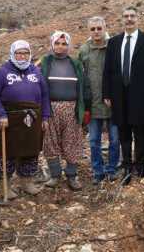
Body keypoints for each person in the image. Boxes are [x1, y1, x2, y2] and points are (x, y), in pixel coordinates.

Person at [102, 7, 144, 185]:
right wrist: (106, 93)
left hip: (141, 95)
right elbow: (107, 71)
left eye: (132, 16)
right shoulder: (113, 42)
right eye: (126, 16)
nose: (129, 19)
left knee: (140, 132)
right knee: (124, 132)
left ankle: (139, 166)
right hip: (118, 95)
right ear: (122, 19)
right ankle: (127, 166)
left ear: (138, 19)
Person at [0, 40, 51, 198]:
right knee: (9, 152)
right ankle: (5, 185)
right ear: (13, 53)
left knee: (31, 150)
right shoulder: (3, 71)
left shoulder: (36, 71)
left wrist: (45, 116)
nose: (22, 56)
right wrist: (1, 114)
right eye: (19, 53)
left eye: (25, 53)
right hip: (10, 118)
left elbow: (44, 95)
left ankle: (27, 182)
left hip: (34, 117)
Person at [39, 31, 90, 191]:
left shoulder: (75, 63)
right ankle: (55, 176)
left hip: (71, 108)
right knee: (50, 142)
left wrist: (86, 109)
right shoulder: (44, 62)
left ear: (68, 45)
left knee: (71, 142)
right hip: (50, 109)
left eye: (64, 43)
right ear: (52, 44)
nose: (60, 46)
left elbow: (84, 86)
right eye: (57, 43)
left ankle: (72, 176)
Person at [78, 16, 120, 185]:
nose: (96, 32)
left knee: (115, 139)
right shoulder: (83, 50)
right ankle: (97, 171)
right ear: (89, 30)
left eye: (99, 28)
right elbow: (80, 76)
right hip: (93, 103)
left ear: (105, 28)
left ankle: (112, 168)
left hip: (113, 103)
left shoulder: (115, 46)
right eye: (92, 29)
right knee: (94, 140)